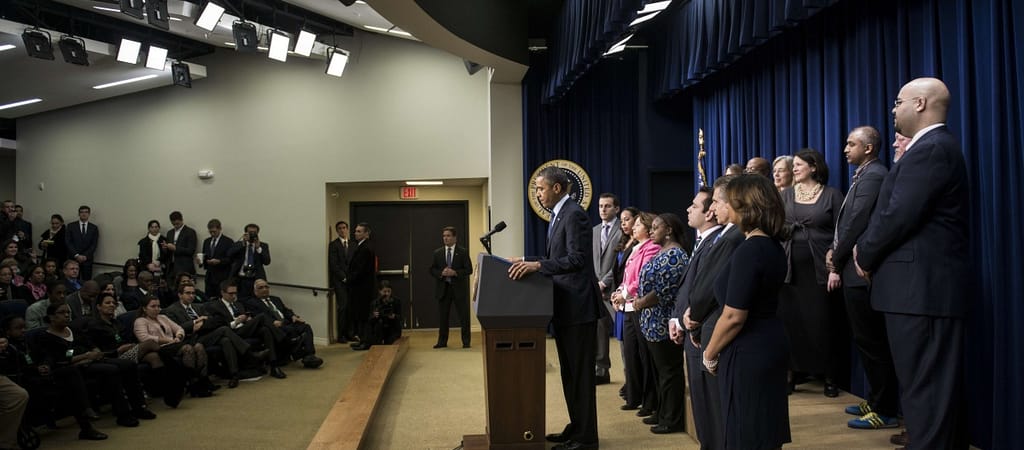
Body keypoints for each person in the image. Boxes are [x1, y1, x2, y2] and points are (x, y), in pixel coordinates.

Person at [855, 77, 970, 450]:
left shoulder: (932, 149)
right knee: (926, 394)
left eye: (898, 102)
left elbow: (897, 215)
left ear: (920, 103)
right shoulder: (930, 148)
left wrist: (863, 253)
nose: (894, 110)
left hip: (922, 292)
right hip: (916, 293)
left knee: (927, 395)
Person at [509, 166, 601, 450]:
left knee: (580, 376)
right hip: (565, 306)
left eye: (541, 188)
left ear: (557, 188)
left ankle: (586, 439)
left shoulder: (574, 214)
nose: (538, 194)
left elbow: (576, 259)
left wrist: (538, 265)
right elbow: (558, 256)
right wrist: (525, 259)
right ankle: (577, 427)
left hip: (579, 307)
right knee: (569, 373)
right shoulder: (559, 214)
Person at [703, 174, 792, 450]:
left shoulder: (750, 250)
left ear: (745, 206)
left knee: (746, 431)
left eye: (729, 201)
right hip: (769, 343)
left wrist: (709, 353)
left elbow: (733, 316)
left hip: (747, 351)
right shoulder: (772, 245)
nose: (723, 206)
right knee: (763, 430)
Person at [828, 126, 899, 430]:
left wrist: (836, 256)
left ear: (868, 148)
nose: (845, 149)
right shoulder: (864, 175)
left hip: (859, 272)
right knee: (865, 341)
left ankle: (885, 409)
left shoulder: (874, 176)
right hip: (851, 269)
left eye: (851, 144)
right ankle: (875, 398)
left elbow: (856, 222)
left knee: (873, 342)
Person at [779, 148, 846, 396]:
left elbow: (842, 231)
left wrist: (835, 267)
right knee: (791, 324)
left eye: (798, 165)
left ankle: (830, 377)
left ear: (814, 167)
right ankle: (791, 374)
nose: (794, 168)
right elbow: (777, 225)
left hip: (820, 270)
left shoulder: (832, 195)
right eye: (794, 165)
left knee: (823, 324)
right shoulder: (786, 195)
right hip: (790, 271)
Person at [33, 303, 156, 429]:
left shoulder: (72, 329)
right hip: (77, 366)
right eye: (62, 312)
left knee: (128, 365)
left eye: (68, 312)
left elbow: (89, 343)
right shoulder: (46, 337)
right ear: (51, 317)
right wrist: (85, 356)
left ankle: (139, 407)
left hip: (94, 358)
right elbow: (60, 360)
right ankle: (123, 414)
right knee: (111, 370)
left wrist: (95, 351)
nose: (66, 315)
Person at [668, 187, 723, 449]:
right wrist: (675, 319)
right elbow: (687, 288)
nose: (688, 209)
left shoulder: (717, 243)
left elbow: (705, 291)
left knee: (711, 406)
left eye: (694, 205)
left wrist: (684, 322)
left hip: (701, 331)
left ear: (710, 213)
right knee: (701, 404)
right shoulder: (702, 241)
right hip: (690, 329)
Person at [633, 213, 690, 434]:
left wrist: (640, 302)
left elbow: (664, 292)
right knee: (659, 372)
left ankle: (671, 419)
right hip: (652, 322)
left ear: (669, 230)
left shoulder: (675, 255)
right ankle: (661, 410)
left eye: (656, 227)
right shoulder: (662, 251)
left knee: (669, 372)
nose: (651, 231)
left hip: (664, 323)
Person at [163, 281, 268, 389]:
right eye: (188, 293)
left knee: (225, 340)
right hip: (189, 339)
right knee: (224, 330)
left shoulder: (199, 307)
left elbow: (214, 321)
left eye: (193, 293)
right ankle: (250, 354)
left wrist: (202, 324)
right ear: (180, 295)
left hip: (205, 335)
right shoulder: (172, 310)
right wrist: (194, 322)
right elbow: (175, 328)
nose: (191, 296)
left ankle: (234, 375)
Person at [610, 211, 659, 416]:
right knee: (630, 354)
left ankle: (649, 401)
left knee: (643, 356)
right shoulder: (636, 247)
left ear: (648, 228)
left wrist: (625, 294)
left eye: (638, 225)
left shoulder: (652, 247)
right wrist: (618, 293)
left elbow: (641, 277)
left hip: (640, 307)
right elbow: (626, 277)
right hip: (627, 307)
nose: (634, 228)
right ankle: (634, 396)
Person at [205, 279, 288, 379]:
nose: (233, 296)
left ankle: (274, 366)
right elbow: (220, 326)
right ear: (222, 293)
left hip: (243, 329)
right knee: (262, 317)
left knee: (265, 330)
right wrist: (236, 322)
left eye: (235, 293)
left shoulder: (239, 304)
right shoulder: (215, 307)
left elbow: (246, 318)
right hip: (231, 332)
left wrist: (248, 319)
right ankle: (283, 339)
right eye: (231, 294)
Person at [134, 296, 215, 398]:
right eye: (153, 306)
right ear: (144, 308)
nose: (157, 309)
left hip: (174, 344)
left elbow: (179, 329)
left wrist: (178, 336)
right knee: (188, 349)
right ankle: (193, 384)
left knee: (199, 346)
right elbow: (144, 338)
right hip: (159, 348)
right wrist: (168, 340)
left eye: (158, 306)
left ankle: (204, 380)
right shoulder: (140, 321)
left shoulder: (163, 317)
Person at [244, 279, 323, 368]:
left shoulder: (276, 299)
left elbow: (286, 310)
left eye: (266, 287)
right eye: (261, 288)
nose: (264, 289)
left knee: (306, 327)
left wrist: (293, 316)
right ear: (255, 291)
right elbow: (257, 316)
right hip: (273, 326)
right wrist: (272, 322)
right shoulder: (251, 302)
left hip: (286, 323)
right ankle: (299, 352)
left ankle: (309, 356)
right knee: (289, 330)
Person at [591, 193, 621, 384]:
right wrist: (595, 283)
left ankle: (631, 375)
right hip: (597, 289)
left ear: (616, 208)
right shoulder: (594, 231)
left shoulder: (623, 229)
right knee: (599, 330)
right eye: (601, 206)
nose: (603, 209)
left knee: (624, 333)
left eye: (607, 206)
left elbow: (620, 261)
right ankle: (601, 371)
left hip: (616, 289)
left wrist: (604, 282)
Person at [429, 226, 473, 349]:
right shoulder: (437, 253)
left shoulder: (463, 252)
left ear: (454, 237)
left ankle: (466, 341)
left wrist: (455, 273)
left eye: (448, 236)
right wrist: (441, 273)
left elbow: (469, 269)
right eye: (444, 236)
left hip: (459, 289)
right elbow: (432, 269)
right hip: (443, 289)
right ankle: (442, 342)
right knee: (443, 317)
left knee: (464, 316)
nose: (445, 238)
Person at [347, 223, 376, 347]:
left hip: (363, 288)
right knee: (360, 314)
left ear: (366, 233)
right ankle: (362, 339)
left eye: (359, 231)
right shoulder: (361, 246)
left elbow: (360, 269)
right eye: (356, 231)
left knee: (364, 315)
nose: (355, 233)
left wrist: (349, 279)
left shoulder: (365, 248)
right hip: (360, 287)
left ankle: (366, 341)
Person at [351, 280, 402, 350]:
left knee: (389, 343)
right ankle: (364, 342)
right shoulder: (375, 303)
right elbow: (370, 320)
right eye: (384, 291)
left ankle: (365, 342)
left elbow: (400, 317)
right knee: (369, 324)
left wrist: (394, 316)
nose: (387, 294)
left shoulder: (396, 301)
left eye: (389, 291)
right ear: (380, 291)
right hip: (380, 328)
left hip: (392, 328)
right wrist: (374, 316)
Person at [229, 223, 270, 299]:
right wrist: (243, 243)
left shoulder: (263, 246)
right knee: (240, 299)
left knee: (256, 300)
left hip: (256, 279)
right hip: (240, 278)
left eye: (254, 233)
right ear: (245, 233)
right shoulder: (239, 244)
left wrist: (258, 248)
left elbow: (267, 261)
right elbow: (229, 254)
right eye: (250, 232)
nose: (252, 235)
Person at [327, 221, 352, 342]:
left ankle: (350, 333)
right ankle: (341, 335)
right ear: (337, 231)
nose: (342, 230)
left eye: (344, 228)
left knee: (351, 307)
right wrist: (344, 277)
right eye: (340, 228)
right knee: (343, 307)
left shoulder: (353, 244)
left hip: (352, 281)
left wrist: (352, 277)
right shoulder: (334, 245)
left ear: (347, 229)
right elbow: (333, 264)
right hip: (340, 282)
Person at [200, 219, 234, 300]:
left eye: (214, 232)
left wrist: (219, 261)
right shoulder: (207, 241)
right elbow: (205, 255)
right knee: (208, 299)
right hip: (209, 276)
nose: (212, 234)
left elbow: (231, 259)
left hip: (222, 276)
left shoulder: (228, 241)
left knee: (221, 299)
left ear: (219, 229)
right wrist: (201, 261)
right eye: (210, 232)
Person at [65, 205, 99, 280]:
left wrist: (85, 256)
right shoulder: (71, 226)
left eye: (86, 212)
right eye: (82, 212)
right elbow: (68, 242)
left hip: (87, 260)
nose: (84, 214)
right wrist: (76, 255)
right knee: (72, 280)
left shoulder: (94, 228)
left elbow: (94, 244)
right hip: (73, 259)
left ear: (89, 214)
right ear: (78, 214)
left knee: (86, 281)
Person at [165, 211, 198, 279]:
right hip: (171, 267)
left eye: (177, 223)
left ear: (182, 220)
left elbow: (191, 251)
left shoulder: (190, 232)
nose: (175, 226)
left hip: (184, 267)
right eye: (173, 224)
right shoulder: (170, 233)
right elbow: (168, 252)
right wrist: (165, 247)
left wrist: (175, 248)